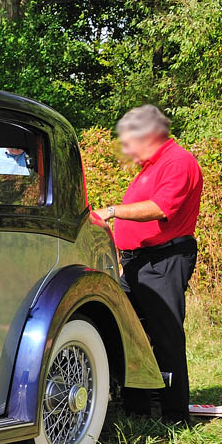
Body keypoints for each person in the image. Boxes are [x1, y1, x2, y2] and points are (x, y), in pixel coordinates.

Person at [92, 104, 202, 423]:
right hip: (138, 262)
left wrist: (112, 211)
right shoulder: (149, 168)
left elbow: (159, 208)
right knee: (129, 330)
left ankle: (175, 413)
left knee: (164, 331)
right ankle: (137, 405)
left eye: (128, 142)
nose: (126, 150)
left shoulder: (178, 162)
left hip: (164, 259)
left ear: (148, 135)